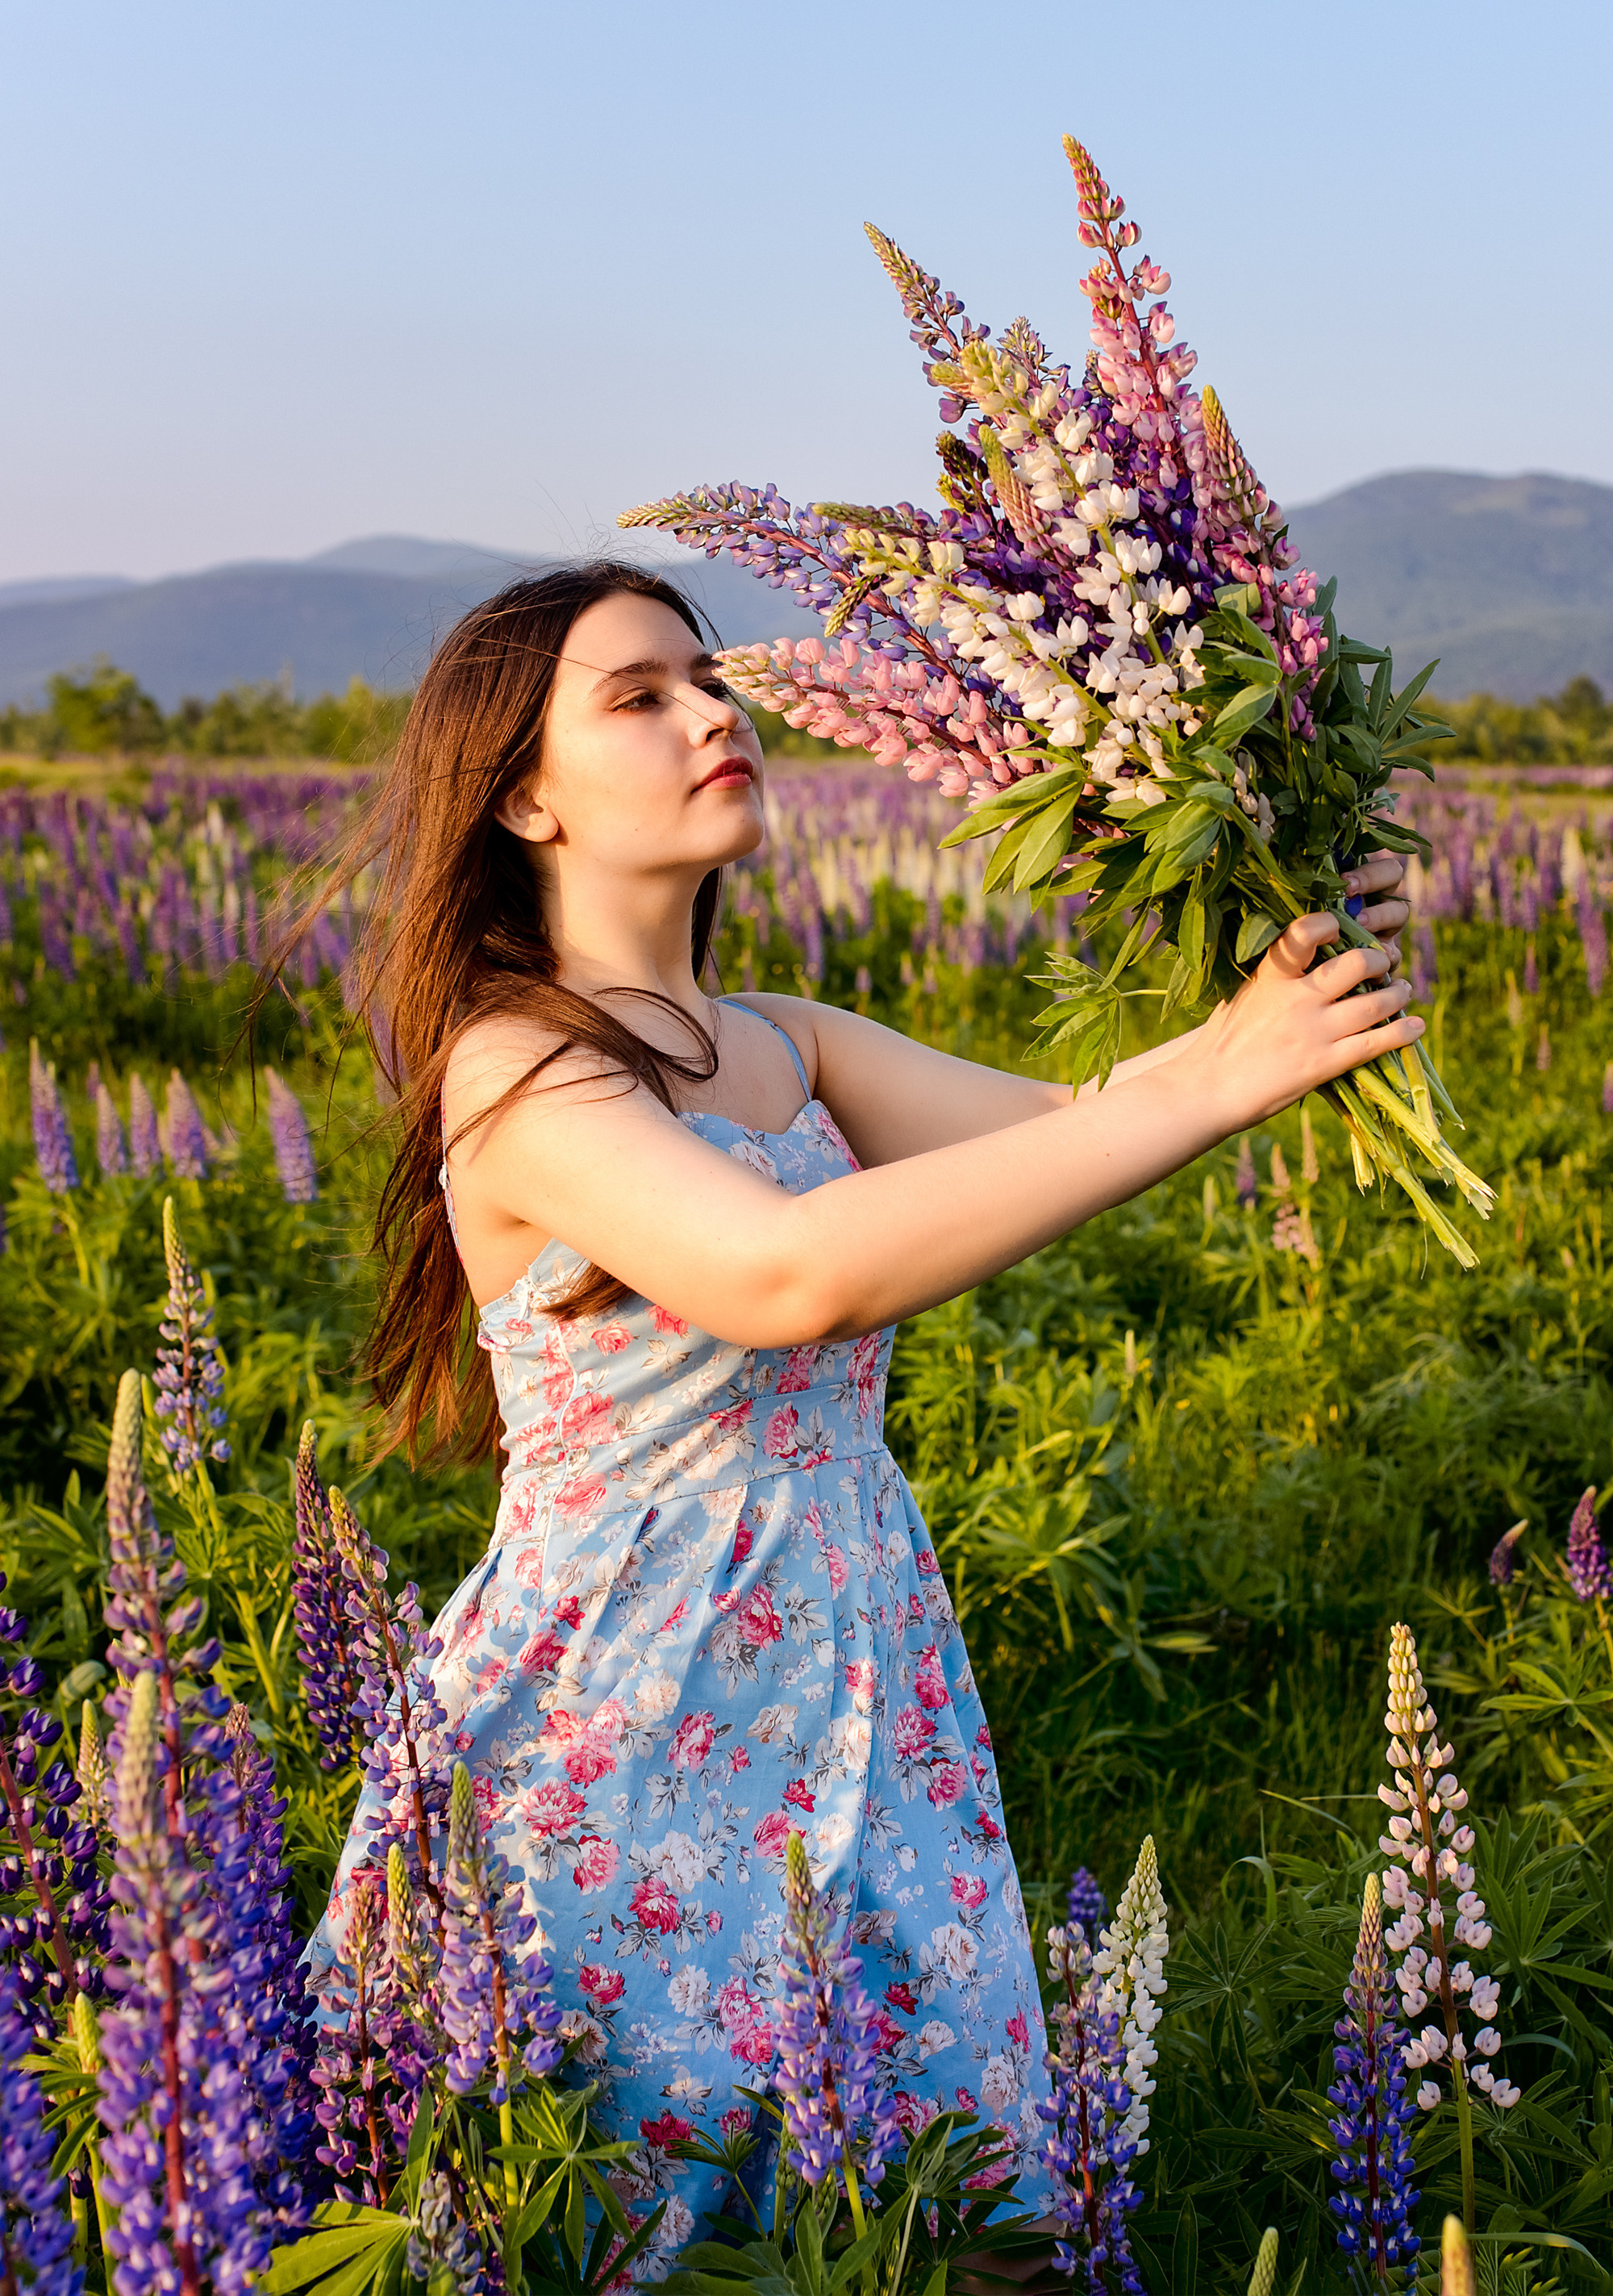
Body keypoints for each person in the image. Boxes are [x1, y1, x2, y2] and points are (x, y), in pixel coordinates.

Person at [297, 558, 1412, 2254]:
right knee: (642, 2209)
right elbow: (783, 1274)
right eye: (641, 694)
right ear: (521, 792)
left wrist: (1284, 984)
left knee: (952, 2210)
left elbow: (1085, 1118)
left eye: (710, 677)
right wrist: (1213, 1072)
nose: (713, 713)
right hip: (625, 1702)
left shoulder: (784, 1039)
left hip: (857, 1670)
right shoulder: (515, 1065)